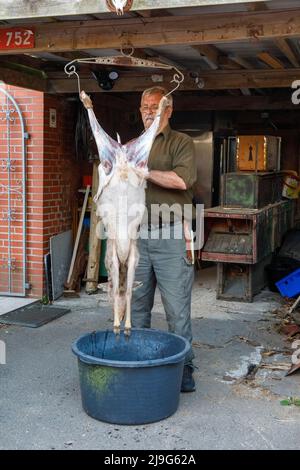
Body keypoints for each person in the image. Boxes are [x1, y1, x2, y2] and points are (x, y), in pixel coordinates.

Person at [131, 86, 197, 392]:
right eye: (144, 105)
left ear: (167, 110)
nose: (147, 111)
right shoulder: (132, 146)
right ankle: (135, 361)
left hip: (171, 235)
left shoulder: (181, 142)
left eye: (154, 106)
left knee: (177, 309)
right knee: (136, 306)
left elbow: (182, 180)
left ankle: (183, 369)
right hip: (136, 236)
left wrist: (144, 172)